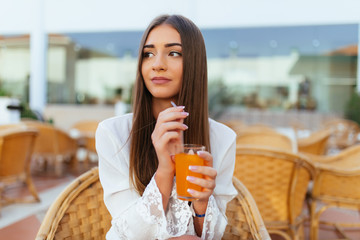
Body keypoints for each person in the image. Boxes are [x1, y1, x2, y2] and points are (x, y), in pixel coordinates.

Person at [96, 14, 237, 240]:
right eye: (148, 54)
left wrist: (202, 202)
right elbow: (129, 233)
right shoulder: (113, 133)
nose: (157, 65)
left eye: (173, 53)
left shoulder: (222, 138)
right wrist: (164, 170)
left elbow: (214, 235)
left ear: (194, 62)